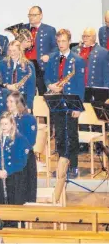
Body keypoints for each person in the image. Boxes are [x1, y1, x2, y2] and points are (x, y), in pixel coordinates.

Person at [45, 29, 85, 179]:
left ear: (69, 41)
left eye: (63, 41)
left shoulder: (78, 60)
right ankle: (62, 166)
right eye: (59, 41)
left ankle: (73, 166)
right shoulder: (53, 58)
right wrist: (50, 86)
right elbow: (47, 78)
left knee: (72, 134)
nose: (61, 44)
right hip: (57, 100)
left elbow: (81, 86)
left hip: (72, 101)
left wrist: (78, 108)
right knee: (60, 135)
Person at [0, 112, 29, 205]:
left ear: (12, 124)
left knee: (13, 203)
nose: (3, 126)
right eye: (1, 124)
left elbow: (21, 162)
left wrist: (7, 171)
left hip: (13, 175)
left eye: (6, 124)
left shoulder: (20, 139)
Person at [5, 91, 38, 202]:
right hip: (10, 157)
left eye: (11, 102)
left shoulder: (29, 119)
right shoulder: (6, 118)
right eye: (7, 101)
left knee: (22, 192)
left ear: (18, 103)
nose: (7, 104)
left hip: (24, 159)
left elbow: (30, 142)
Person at [23, 6, 58, 95]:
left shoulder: (50, 30)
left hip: (41, 68)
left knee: (43, 96)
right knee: (26, 96)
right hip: (25, 67)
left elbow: (56, 48)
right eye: (29, 15)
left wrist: (49, 56)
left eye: (34, 15)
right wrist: (22, 46)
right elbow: (15, 47)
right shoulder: (23, 29)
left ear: (41, 16)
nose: (31, 17)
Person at [0, 40, 36, 109]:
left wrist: (28, 106)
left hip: (22, 99)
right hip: (6, 99)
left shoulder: (29, 65)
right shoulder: (2, 64)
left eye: (14, 50)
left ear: (20, 50)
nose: (11, 53)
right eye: (9, 50)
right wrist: (8, 86)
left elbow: (31, 88)